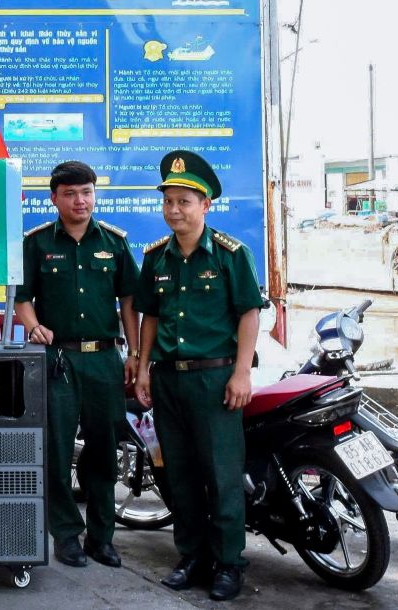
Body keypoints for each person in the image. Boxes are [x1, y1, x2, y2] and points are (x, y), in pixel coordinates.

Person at [133, 150, 262, 602]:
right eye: (168, 201)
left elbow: (249, 313)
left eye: (184, 201)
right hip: (169, 380)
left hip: (215, 380)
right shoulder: (156, 259)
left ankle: (229, 563)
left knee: (222, 476)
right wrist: (145, 367)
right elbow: (150, 315)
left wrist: (241, 373)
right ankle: (192, 556)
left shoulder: (230, 255)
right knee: (180, 476)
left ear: (205, 205)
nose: (174, 210)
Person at [15, 161, 140, 568]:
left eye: (85, 192)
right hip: (59, 361)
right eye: (69, 194)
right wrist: (33, 327)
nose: (79, 201)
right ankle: (66, 534)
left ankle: (102, 537)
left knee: (106, 451)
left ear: (94, 194)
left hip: (105, 359)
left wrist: (135, 355)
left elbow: (129, 303)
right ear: (54, 198)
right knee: (56, 448)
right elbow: (21, 299)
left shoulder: (115, 243)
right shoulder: (35, 243)